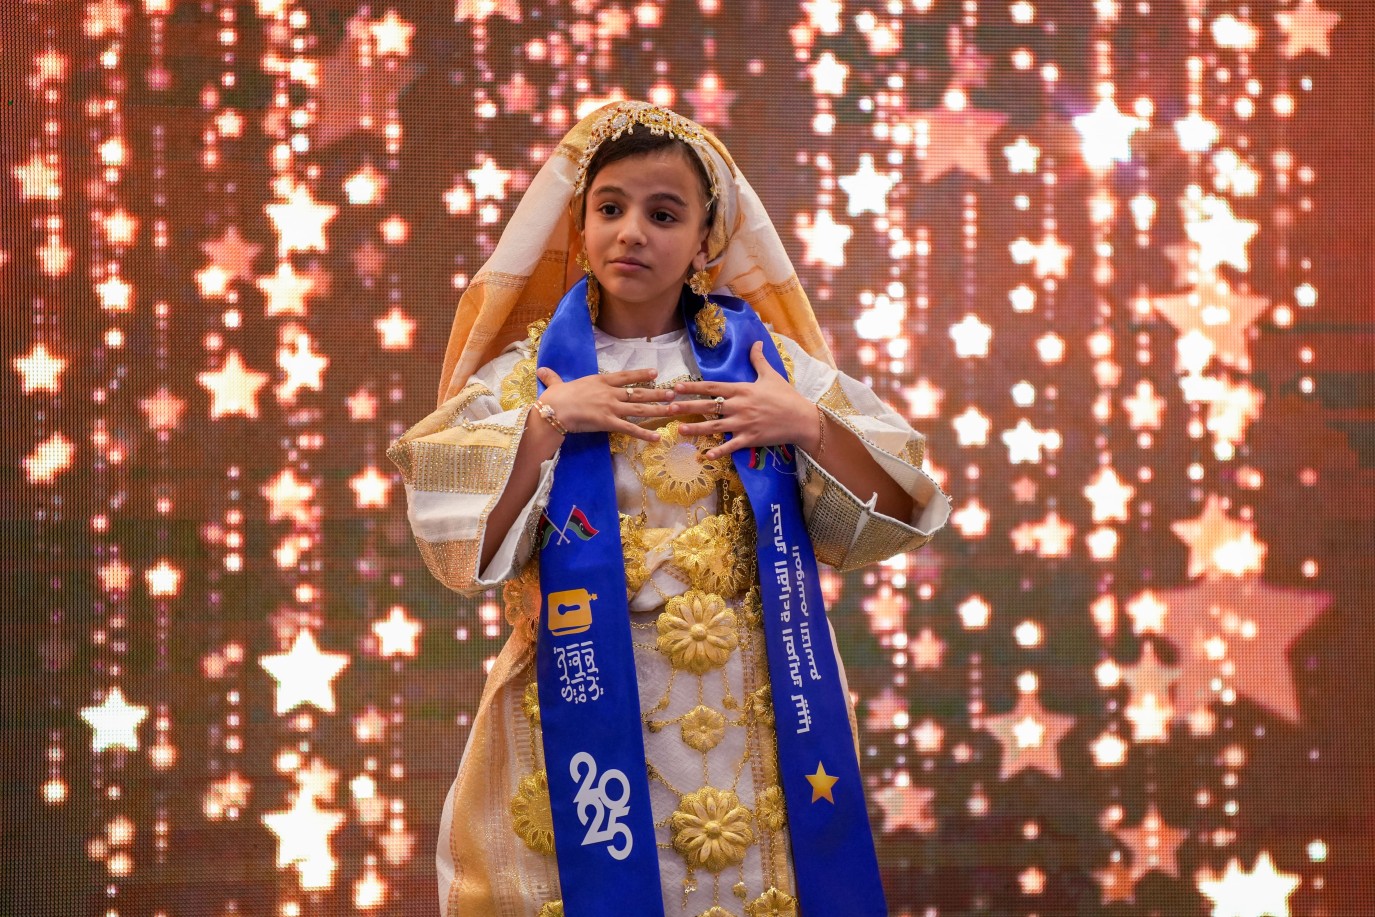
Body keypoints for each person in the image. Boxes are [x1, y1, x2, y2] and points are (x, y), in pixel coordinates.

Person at [389, 101, 949, 917]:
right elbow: (458, 550)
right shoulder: (531, 373)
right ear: (579, 226)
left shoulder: (763, 363)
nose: (632, 233)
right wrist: (547, 421)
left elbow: (901, 504)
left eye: (663, 214)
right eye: (610, 208)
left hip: (754, 698)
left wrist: (808, 424)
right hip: (578, 689)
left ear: (705, 240)